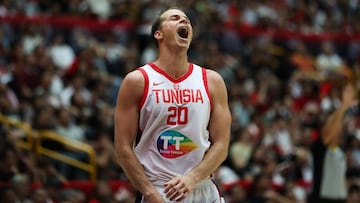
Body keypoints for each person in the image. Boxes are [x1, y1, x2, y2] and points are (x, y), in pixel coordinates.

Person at [114, 7, 231, 203]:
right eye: (175, 18)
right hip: (158, 189)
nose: (184, 22)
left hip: (200, 186)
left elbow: (221, 144)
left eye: (187, 21)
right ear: (158, 34)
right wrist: (149, 193)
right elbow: (123, 147)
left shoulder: (212, 81)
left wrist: (192, 178)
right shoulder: (138, 81)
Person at [308, 82, 359, 203]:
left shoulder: (339, 150)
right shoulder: (320, 147)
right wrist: (344, 105)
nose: (340, 126)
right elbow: (328, 133)